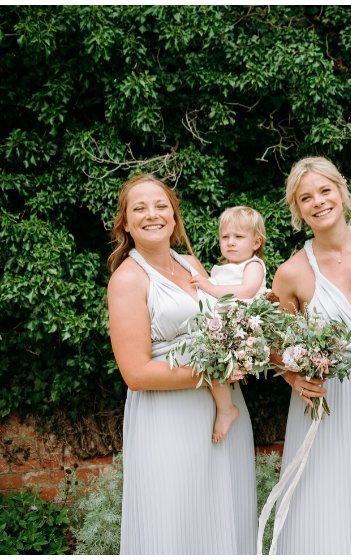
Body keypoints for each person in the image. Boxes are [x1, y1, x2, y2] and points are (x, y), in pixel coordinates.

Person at [107, 174, 255, 554]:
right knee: (176, 517)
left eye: (160, 206)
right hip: (168, 417)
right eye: (139, 208)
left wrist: (246, 345)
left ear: (174, 217)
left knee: (222, 511)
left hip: (222, 410)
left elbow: (219, 321)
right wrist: (212, 372)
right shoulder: (127, 280)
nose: (152, 214)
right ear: (125, 222)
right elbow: (136, 373)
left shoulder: (189, 263)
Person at [270, 156, 351, 554]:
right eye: (306, 197)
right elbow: (274, 346)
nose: (318, 202)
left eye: (325, 190)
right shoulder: (291, 273)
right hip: (331, 397)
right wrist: (295, 378)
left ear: (342, 191)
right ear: (297, 210)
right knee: (331, 494)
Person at [191, 206, 270, 443]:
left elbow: (247, 291)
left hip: (241, 325)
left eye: (238, 237)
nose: (230, 242)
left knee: (216, 359)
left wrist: (210, 287)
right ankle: (224, 406)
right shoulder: (221, 269)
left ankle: (226, 409)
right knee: (211, 361)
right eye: (225, 237)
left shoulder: (253, 266)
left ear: (256, 242)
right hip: (222, 325)